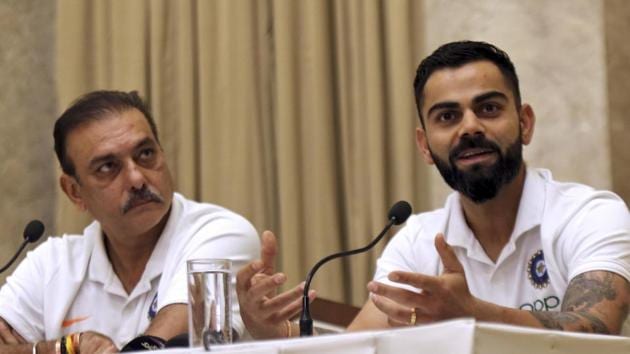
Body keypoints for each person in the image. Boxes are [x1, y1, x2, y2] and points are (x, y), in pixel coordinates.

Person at [236, 40, 630, 338]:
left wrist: (473, 313)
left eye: (489, 108)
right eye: (448, 116)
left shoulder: (590, 214)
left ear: (525, 123)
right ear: (425, 145)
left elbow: (595, 330)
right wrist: (274, 333)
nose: (470, 127)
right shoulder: (418, 240)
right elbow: (359, 348)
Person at [0, 90, 260, 353]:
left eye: (145, 154)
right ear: (74, 192)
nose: (137, 179)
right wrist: (64, 347)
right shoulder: (50, 265)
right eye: (107, 167)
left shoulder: (221, 235)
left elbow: (159, 349)